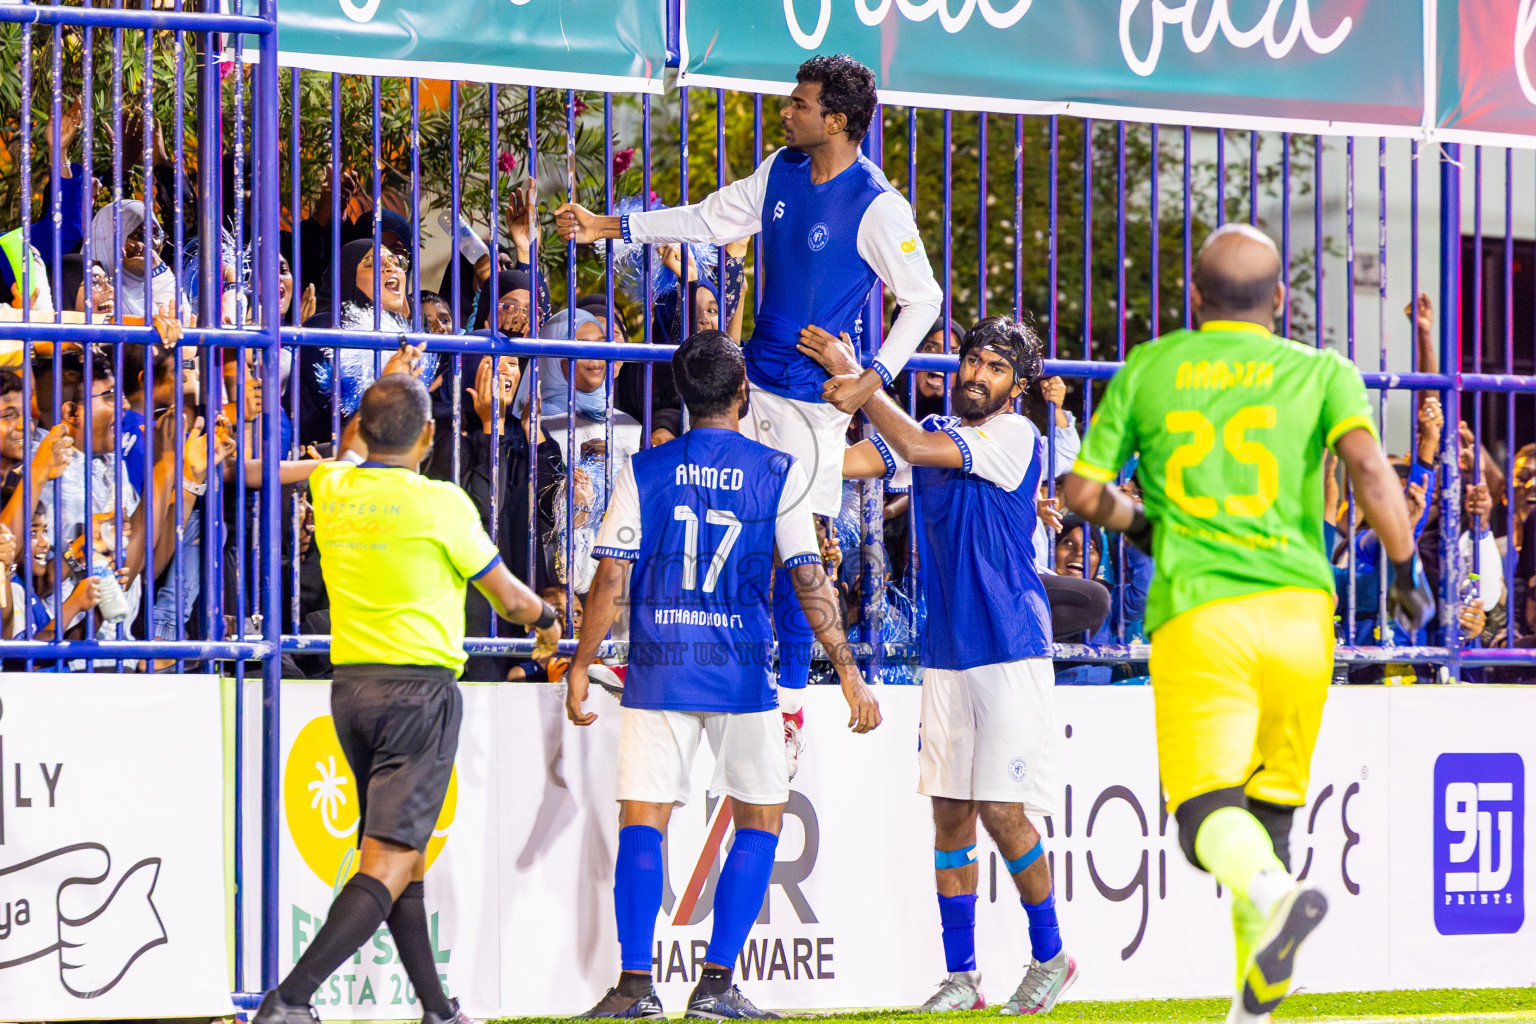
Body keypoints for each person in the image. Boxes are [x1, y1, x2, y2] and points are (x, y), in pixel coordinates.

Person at [1061, 223, 1433, 1024]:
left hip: (1202, 617)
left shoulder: (1151, 367)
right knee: (1268, 820)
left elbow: (1082, 491)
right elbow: (1371, 469)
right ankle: (1251, 1010)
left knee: (1205, 818)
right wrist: (1405, 572)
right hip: (1302, 618)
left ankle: (1276, 894)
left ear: (1195, 298)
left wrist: (1143, 525)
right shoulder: (1323, 370)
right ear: (1280, 300)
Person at [556, 53, 941, 773]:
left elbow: (925, 299)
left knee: (799, 554)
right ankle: (660, 657)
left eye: (800, 103)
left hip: (811, 406)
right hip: (749, 384)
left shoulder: (878, 204)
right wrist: (607, 226)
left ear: (836, 120)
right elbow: (707, 217)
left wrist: (870, 380)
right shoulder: (782, 170)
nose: (785, 111)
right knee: (695, 516)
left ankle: (789, 710)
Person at [565, 330, 881, 1021]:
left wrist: (582, 664)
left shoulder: (645, 469)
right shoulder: (778, 469)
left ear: (682, 394)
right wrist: (849, 672)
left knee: (643, 817)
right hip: (740, 669)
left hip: (660, 664)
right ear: (743, 393)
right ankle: (715, 985)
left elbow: (611, 575)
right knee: (760, 815)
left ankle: (634, 987)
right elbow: (809, 580)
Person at [251, 372, 561, 1024]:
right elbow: (509, 598)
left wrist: (387, 380)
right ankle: (290, 1000)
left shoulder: (333, 485)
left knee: (403, 858)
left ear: (362, 432)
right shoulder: (442, 502)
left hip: (350, 693)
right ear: (429, 435)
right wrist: (546, 620)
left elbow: (331, 457)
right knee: (390, 860)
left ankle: (437, 1011)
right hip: (418, 695)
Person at [806, 315, 1075, 1014]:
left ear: (1017, 386)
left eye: (996, 368)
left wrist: (859, 378)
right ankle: (963, 978)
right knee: (951, 815)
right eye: (973, 361)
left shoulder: (1016, 435)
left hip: (1010, 646)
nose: (978, 375)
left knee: (1003, 813)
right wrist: (787, 434)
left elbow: (913, 447)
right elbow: (852, 464)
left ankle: (1052, 958)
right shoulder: (934, 431)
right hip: (949, 652)